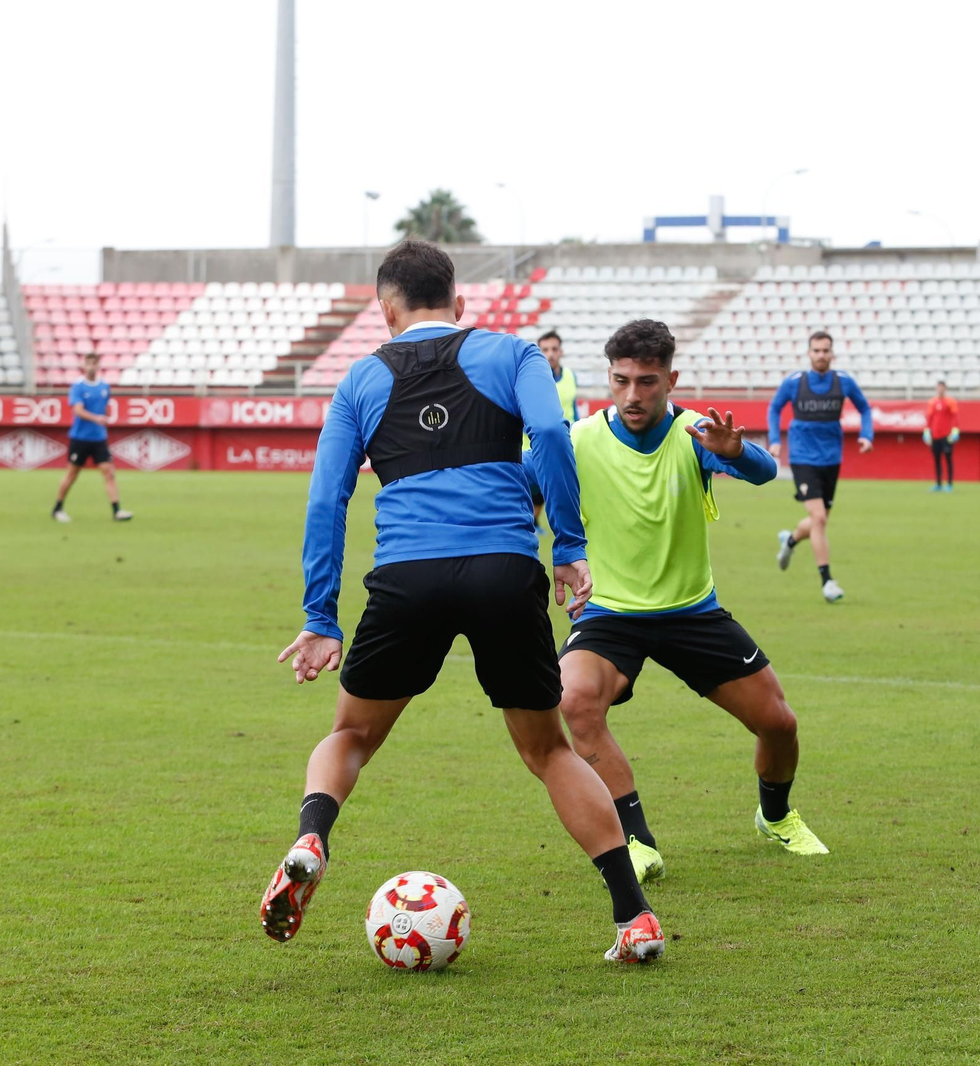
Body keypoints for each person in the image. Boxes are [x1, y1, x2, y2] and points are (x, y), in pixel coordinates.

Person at [263, 239, 663, 964]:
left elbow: (329, 494)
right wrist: (568, 547)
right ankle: (633, 918)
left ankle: (312, 836)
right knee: (546, 749)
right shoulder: (513, 355)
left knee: (350, 736)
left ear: (386, 309)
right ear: (461, 303)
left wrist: (321, 615)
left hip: (407, 577)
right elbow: (546, 435)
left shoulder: (360, 379)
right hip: (504, 571)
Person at [546, 319, 827, 886]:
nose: (633, 395)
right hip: (611, 614)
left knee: (779, 725)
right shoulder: (577, 440)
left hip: (692, 611)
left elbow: (764, 471)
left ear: (671, 379)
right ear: (609, 376)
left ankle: (775, 816)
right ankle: (635, 839)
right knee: (573, 699)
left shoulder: (696, 432)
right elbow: (523, 485)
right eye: (622, 380)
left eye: (647, 381)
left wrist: (737, 452)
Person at [767, 330, 872, 603]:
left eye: (826, 351)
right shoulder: (794, 382)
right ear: (809, 353)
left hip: (831, 459)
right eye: (816, 351)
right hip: (802, 458)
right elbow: (775, 408)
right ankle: (827, 582)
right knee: (820, 518)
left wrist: (867, 435)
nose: (821, 355)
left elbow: (865, 408)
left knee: (818, 519)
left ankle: (789, 540)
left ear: (832, 353)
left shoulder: (844, 381)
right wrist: (776, 440)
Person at [52, 353, 133, 522]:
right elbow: (78, 410)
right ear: (84, 366)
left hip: (98, 438)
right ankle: (58, 508)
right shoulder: (78, 387)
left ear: (98, 365)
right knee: (72, 474)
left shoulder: (104, 387)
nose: (91, 367)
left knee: (109, 472)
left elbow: (103, 409)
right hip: (80, 438)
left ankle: (117, 510)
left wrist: (103, 419)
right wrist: (97, 418)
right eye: (88, 363)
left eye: (94, 363)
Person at [528, 330, 581, 522]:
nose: (550, 353)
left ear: (561, 352)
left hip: (565, 444)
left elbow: (573, 407)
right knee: (531, 493)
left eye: (554, 349)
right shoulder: (529, 378)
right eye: (545, 349)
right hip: (533, 447)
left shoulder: (570, 376)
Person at [923, 379, 960, 492]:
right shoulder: (932, 402)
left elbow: (955, 417)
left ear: (945, 389)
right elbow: (929, 418)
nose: (940, 389)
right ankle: (938, 484)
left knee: (948, 460)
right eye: (939, 387)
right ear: (936, 388)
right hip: (935, 436)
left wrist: (955, 431)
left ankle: (949, 484)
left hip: (947, 435)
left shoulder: (950, 402)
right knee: (937, 460)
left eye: (942, 387)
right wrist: (926, 431)